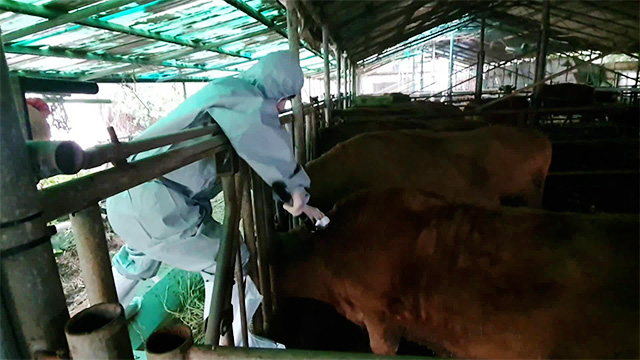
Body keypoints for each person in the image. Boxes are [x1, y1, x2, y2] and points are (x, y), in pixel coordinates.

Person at [106, 51, 325, 306]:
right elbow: (264, 143)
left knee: (139, 255)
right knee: (229, 258)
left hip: (129, 196)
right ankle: (232, 340)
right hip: (157, 206)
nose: (282, 108)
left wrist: (302, 202)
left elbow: (257, 150)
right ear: (274, 88)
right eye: (284, 99)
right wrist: (296, 189)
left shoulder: (229, 91)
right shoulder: (242, 97)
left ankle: (98, 316)